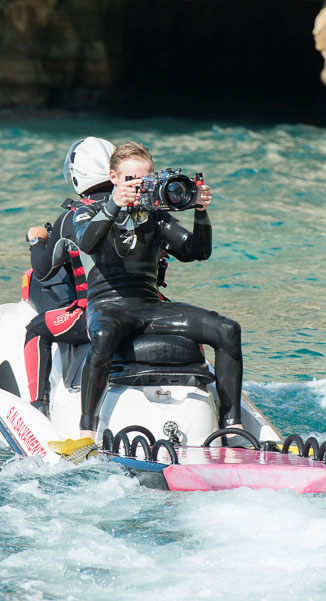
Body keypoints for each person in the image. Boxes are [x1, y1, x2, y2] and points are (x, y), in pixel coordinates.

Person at [73, 141, 243, 440]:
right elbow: (87, 243)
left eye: (146, 180)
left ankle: (233, 425)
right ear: (113, 177)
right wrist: (115, 204)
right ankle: (86, 428)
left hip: (150, 306)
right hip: (109, 305)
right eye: (132, 181)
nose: (140, 188)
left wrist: (200, 212)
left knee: (228, 329)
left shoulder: (157, 216)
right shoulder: (90, 211)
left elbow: (196, 252)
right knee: (102, 335)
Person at [23, 137, 116, 417]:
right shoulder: (140, 209)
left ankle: (38, 407)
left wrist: (36, 241)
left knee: (36, 329)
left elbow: (43, 271)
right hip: (148, 307)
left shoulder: (72, 218)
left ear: (78, 175)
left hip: (93, 316)